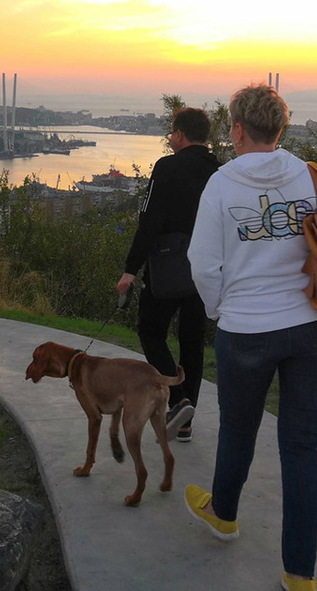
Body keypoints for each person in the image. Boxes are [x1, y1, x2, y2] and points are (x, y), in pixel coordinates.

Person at [183, 84, 317, 591]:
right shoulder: (313, 175)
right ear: (280, 129)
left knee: (238, 430)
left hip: (247, 331)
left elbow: (203, 265)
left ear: (236, 130)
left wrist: (220, 311)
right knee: (300, 448)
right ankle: (299, 575)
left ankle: (223, 514)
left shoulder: (223, 184)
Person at [116, 106, 218, 443]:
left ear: (179, 134)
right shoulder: (220, 171)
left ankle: (178, 399)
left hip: (169, 266)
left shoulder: (168, 167)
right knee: (192, 341)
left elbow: (149, 222)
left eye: (172, 133)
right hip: (206, 270)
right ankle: (185, 423)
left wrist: (131, 269)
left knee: (150, 329)